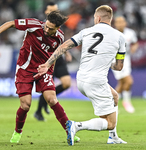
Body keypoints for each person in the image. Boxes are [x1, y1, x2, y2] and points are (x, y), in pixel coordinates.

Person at [35, 5, 127, 145]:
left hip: (81, 79)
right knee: (110, 123)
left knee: (114, 95)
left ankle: (113, 137)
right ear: (111, 19)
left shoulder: (86, 31)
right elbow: (119, 67)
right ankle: (76, 126)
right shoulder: (120, 37)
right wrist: (107, 61)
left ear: (98, 18)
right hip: (96, 81)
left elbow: (64, 46)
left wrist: (47, 64)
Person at [0, 11, 80, 144]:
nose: (46, 30)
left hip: (43, 70)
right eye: (46, 26)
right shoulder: (34, 25)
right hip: (25, 69)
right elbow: (11, 23)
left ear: (58, 28)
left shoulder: (60, 37)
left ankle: (69, 131)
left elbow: (56, 53)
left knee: (52, 100)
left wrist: (48, 68)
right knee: (25, 105)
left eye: (51, 29)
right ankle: (18, 132)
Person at [34, 2, 72, 121]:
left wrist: (66, 52)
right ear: (46, 12)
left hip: (58, 57)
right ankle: (39, 112)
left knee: (66, 83)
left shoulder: (58, 23)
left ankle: (45, 103)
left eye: (56, 10)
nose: (54, 13)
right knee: (47, 87)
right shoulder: (41, 26)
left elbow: (60, 40)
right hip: (45, 60)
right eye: (51, 10)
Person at [112, 16, 138, 113]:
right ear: (115, 24)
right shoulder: (112, 34)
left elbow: (135, 43)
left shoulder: (130, 33)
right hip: (115, 59)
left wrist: (134, 48)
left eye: (122, 21)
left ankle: (113, 104)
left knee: (122, 83)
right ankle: (126, 102)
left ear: (125, 23)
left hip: (126, 58)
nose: (120, 24)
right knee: (128, 81)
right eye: (118, 22)